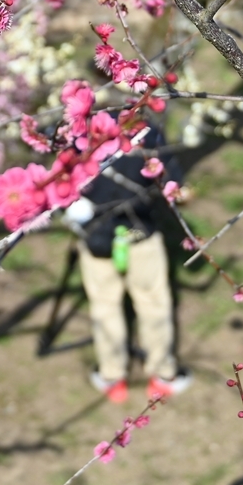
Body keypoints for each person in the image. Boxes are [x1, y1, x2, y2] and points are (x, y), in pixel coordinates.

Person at [63, 121, 192, 404]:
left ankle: (112, 377)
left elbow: (63, 182)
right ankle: (162, 375)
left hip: (96, 236)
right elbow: (176, 186)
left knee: (104, 304)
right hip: (140, 234)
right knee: (153, 303)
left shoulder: (77, 130)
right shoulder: (145, 131)